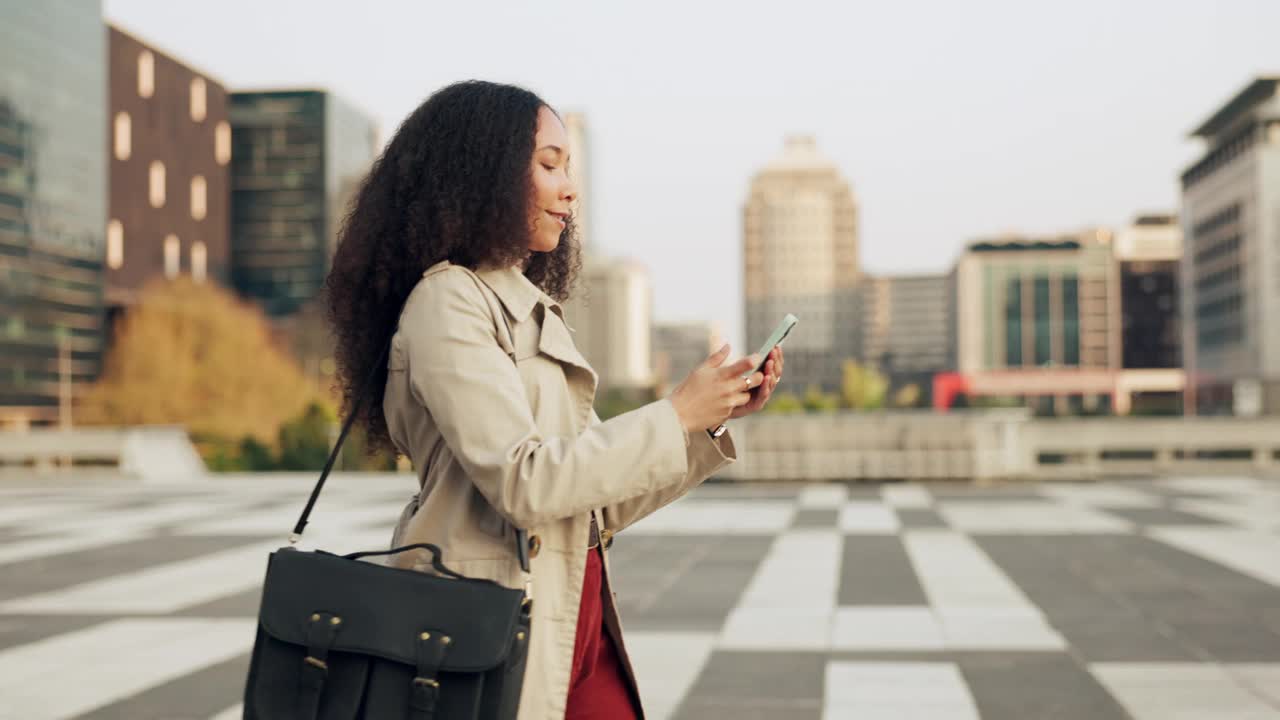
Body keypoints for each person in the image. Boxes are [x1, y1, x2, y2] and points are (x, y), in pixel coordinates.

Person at [324, 80, 784, 720]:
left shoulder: (529, 308)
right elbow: (526, 483)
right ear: (481, 170)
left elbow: (595, 498)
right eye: (548, 165)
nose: (570, 187)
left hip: (572, 621)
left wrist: (704, 424)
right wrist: (675, 412)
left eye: (569, 165)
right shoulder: (449, 300)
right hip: (490, 628)